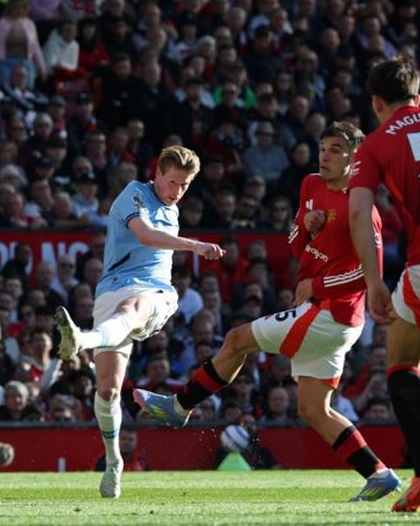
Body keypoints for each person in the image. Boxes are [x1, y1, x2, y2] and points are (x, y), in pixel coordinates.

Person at [137, 123, 402, 502]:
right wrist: (303, 227)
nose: (325, 156)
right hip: (321, 310)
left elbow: (367, 272)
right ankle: (379, 473)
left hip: (332, 313)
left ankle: (180, 406)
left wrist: (318, 286)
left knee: (236, 339)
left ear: (355, 158)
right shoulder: (311, 185)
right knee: (312, 409)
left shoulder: (364, 209)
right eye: (323, 147)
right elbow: (295, 244)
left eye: (337, 150)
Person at [54, 145, 225, 498]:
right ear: (157, 174)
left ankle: (82, 340)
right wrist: (195, 245)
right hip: (111, 289)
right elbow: (145, 235)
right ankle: (114, 462)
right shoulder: (135, 194)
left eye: (185, 185)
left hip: (155, 293)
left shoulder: (172, 210)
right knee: (108, 390)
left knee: (132, 309)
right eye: (173, 181)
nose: (177, 191)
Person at [348, 56, 420, 513]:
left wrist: (373, 281)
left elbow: (359, 213)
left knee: (400, 367)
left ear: (377, 103)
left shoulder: (374, 145)